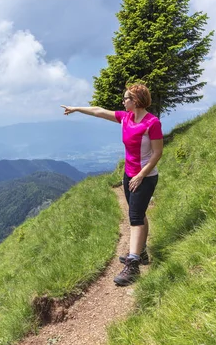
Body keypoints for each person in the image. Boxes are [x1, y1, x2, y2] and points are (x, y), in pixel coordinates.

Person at [61, 82, 163, 286]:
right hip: (129, 174)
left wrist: (141, 175)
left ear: (136, 101)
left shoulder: (152, 123)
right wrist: (76, 108)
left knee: (134, 217)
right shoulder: (126, 118)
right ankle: (141, 253)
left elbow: (157, 152)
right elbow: (99, 111)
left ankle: (133, 266)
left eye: (126, 98)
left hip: (145, 176)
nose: (123, 101)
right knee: (138, 213)